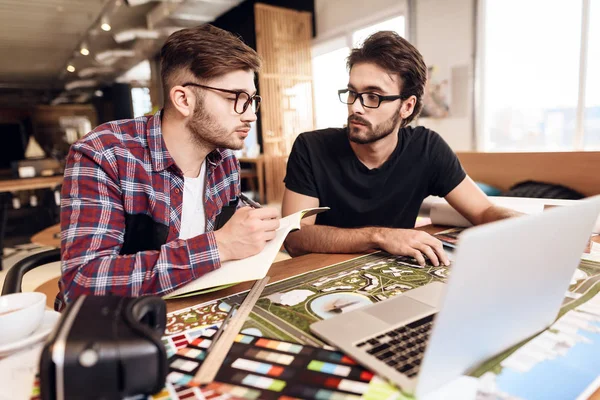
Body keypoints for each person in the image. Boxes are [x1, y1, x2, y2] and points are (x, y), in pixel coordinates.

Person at [58, 25, 279, 309]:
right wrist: (220, 245)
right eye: (234, 98)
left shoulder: (223, 159)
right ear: (183, 99)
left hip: (198, 308)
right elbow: (82, 283)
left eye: (251, 100)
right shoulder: (104, 153)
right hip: (114, 326)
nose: (250, 115)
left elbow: (229, 232)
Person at [282, 31, 519, 267]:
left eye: (373, 96)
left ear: (407, 106)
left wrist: (532, 226)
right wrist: (379, 236)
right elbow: (294, 237)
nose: (356, 107)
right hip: (324, 275)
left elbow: (484, 210)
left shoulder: (427, 148)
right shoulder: (311, 148)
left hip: (396, 273)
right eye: (353, 93)